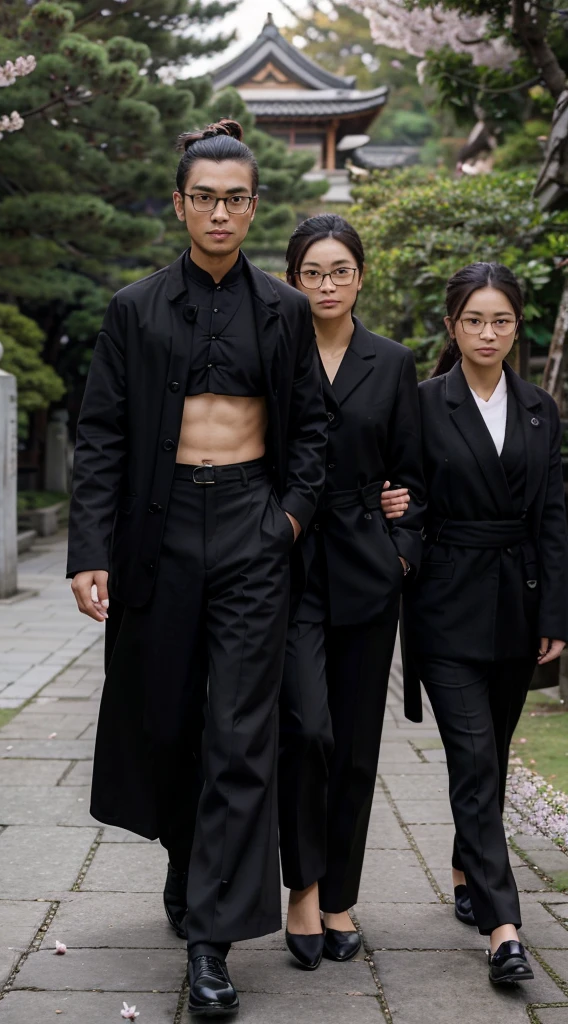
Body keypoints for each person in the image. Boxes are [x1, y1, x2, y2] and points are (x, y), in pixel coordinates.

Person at [66, 119, 328, 1016]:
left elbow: (315, 434)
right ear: (180, 204)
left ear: (255, 207)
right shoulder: (134, 308)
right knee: (166, 716)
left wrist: (288, 519)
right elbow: (100, 433)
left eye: (237, 198)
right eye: (205, 197)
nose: (221, 212)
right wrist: (89, 551)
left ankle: (212, 941)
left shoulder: (286, 312)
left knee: (241, 731)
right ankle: (188, 863)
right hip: (161, 530)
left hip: (254, 528)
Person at [403, 262, 568, 984]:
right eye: (475, 319)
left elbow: (554, 517)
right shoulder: (422, 404)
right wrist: (395, 512)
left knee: (492, 759)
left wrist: (556, 610)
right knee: (473, 759)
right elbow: (404, 492)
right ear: (452, 326)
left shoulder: (540, 408)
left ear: (516, 329)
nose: (489, 332)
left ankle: (468, 866)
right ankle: (506, 929)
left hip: (518, 603)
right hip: (445, 604)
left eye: (501, 320)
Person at [278, 214, 426, 969]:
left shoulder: (392, 362)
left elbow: (414, 473)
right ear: (293, 278)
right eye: (313, 272)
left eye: (340, 271)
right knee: (307, 732)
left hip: (369, 574)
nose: (327, 285)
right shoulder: (276, 350)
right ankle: (300, 886)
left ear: (360, 277)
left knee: (359, 748)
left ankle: (339, 898)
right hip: (291, 568)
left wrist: (402, 546)